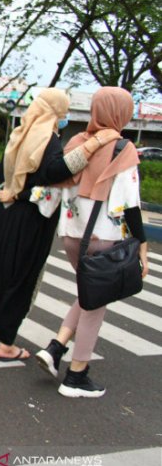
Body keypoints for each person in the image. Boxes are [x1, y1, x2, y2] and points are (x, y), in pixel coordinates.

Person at [0, 88, 121, 362]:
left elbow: (6, 175)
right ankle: (7, 344)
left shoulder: (19, 135)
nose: (65, 117)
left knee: (1, 269)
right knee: (21, 277)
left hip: (6, 214)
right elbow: (55, 172)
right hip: (31, 218)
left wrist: (15, 193)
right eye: (64, 112)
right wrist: (92, 145)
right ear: (55, 112)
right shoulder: (46, 139)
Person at [35, 87, 150, 398]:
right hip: (103, 238)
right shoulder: (122, 149)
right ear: (120, 113)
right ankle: (77, 375)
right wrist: (142, 246)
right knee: (96, 304)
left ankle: (56, 347)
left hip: (72, 235)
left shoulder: (76, 142)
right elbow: (131, 204)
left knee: (89, 292)